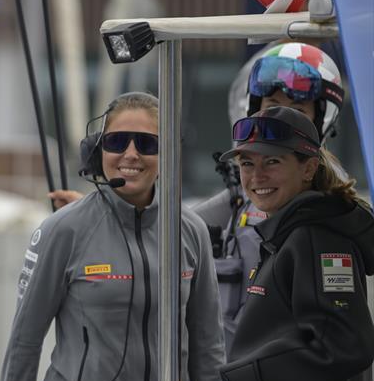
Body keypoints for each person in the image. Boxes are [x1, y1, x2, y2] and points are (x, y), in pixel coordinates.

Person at [47, 42, 350, 349]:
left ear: (320, 121)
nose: (278, 122)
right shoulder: (239, 203)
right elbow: (174, 227)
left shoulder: (337, 217)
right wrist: (107, 214)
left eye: (296, 112)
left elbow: (339, 345)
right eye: (270, 108)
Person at [0, 92, 225, 381]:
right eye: (117, 142)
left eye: (147, 144)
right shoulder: (62, 230)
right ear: (97, 150)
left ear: (168, 153)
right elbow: (24, 341)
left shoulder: (191, 230)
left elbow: (209, 347)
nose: (131, 154)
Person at [211, 106, 374, 381]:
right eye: (247, 163)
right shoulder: (291, 234)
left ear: (309, 169)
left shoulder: (318, 238)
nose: (257, 176)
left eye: (272, 161)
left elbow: (344, 343)